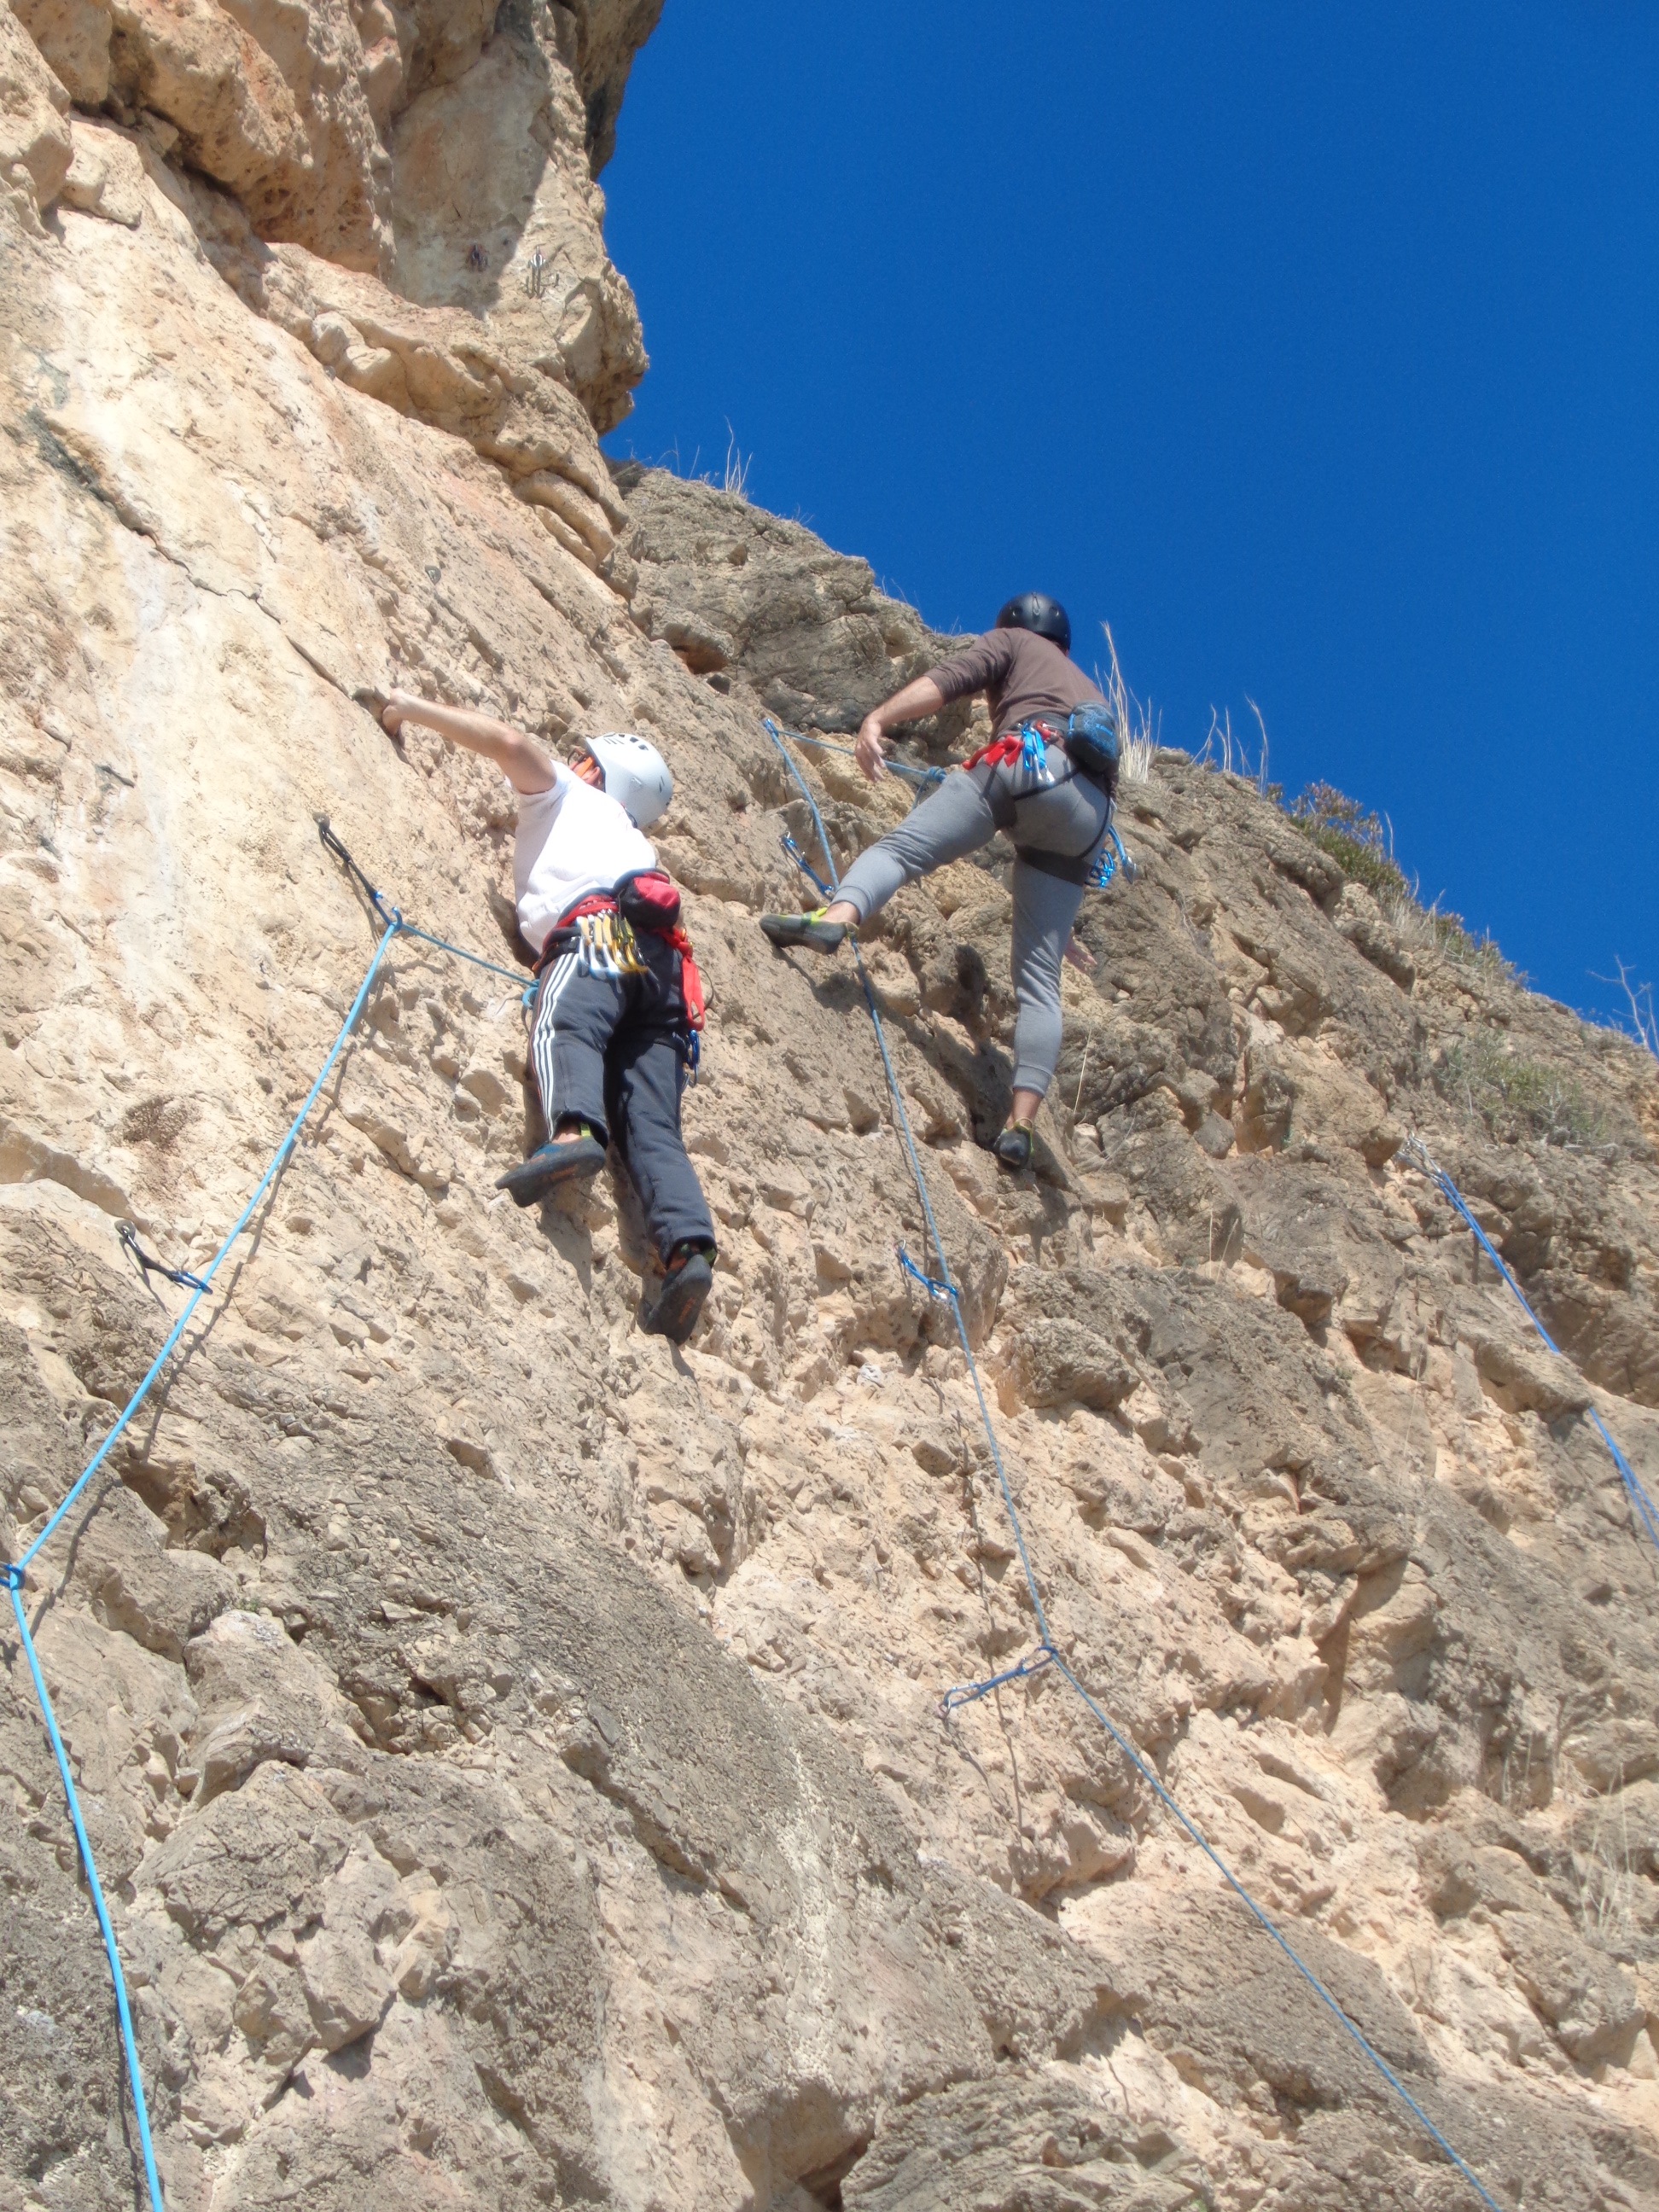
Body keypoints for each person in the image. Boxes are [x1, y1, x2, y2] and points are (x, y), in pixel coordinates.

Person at [381, 690, 718, 1344]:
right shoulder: (633, 842)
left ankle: (574, 1133)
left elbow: (510, 745)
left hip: (600, 933)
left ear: (594, 770)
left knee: (567, 1022)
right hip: (667, 981)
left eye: (581, 756)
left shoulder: (570, 793)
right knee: (652, 1123)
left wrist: (404, 709)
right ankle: (687, 1252)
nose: (571, 759)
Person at [759, 594, 1115, 1170]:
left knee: (901, 850)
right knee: (1040, 980)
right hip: (1090, 821)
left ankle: (838, 917)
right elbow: (1076, 804)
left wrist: (877, 720)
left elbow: (949, 681)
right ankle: (1021, 1123)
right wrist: (1062, 913)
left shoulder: (1013, 642)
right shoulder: (1091, 692)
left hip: (1028, 759)